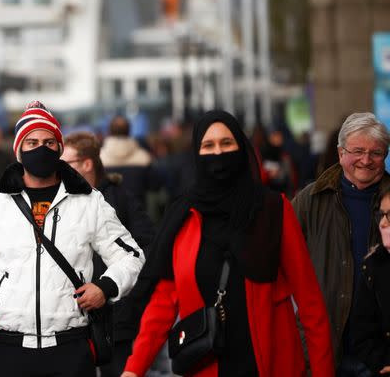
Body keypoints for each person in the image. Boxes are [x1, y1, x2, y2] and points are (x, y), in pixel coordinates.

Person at [121, 110, 334, 377]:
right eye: (208, 145)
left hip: (270, 363)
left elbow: (310, 302)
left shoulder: (273, 209)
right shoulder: (183, 216)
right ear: (196, 154)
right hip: (206, 365)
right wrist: (134, 369)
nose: (218, 153)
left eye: (226, 143)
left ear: (241, 148)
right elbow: (164, 303)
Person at [0, 101, 144, 377]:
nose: (41, 148)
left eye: (49, 142)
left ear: (60, 148)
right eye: (32, 142)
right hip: (9, 345)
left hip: (71, 345)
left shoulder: (88, 201)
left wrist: (106, 287)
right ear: (19, 150)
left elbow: (131, 255)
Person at [293, 112, 390, 374]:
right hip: (322, 350)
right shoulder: (309, 201)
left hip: (380, 356)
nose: (366, 160)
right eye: (357, 151)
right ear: (340, 153)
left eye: (377, 153)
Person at [61, 131, 155, 377]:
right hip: (76, 317)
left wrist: (122, 290)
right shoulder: (66, 200)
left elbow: (148, 245)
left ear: (87, 164)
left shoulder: (118, 197)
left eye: (65, 163)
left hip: (116, 313)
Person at [351, 188, 390, 375]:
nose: (383, 223)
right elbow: (361, 333)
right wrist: (382, 362)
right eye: (381, 215)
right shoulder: (373, 266)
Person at [100, 116, 160, 207]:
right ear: (129, 130)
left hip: (109, 214)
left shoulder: (99, 158)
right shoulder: (144, 157)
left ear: (109, 131)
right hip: (139, 212)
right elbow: (155, 186)